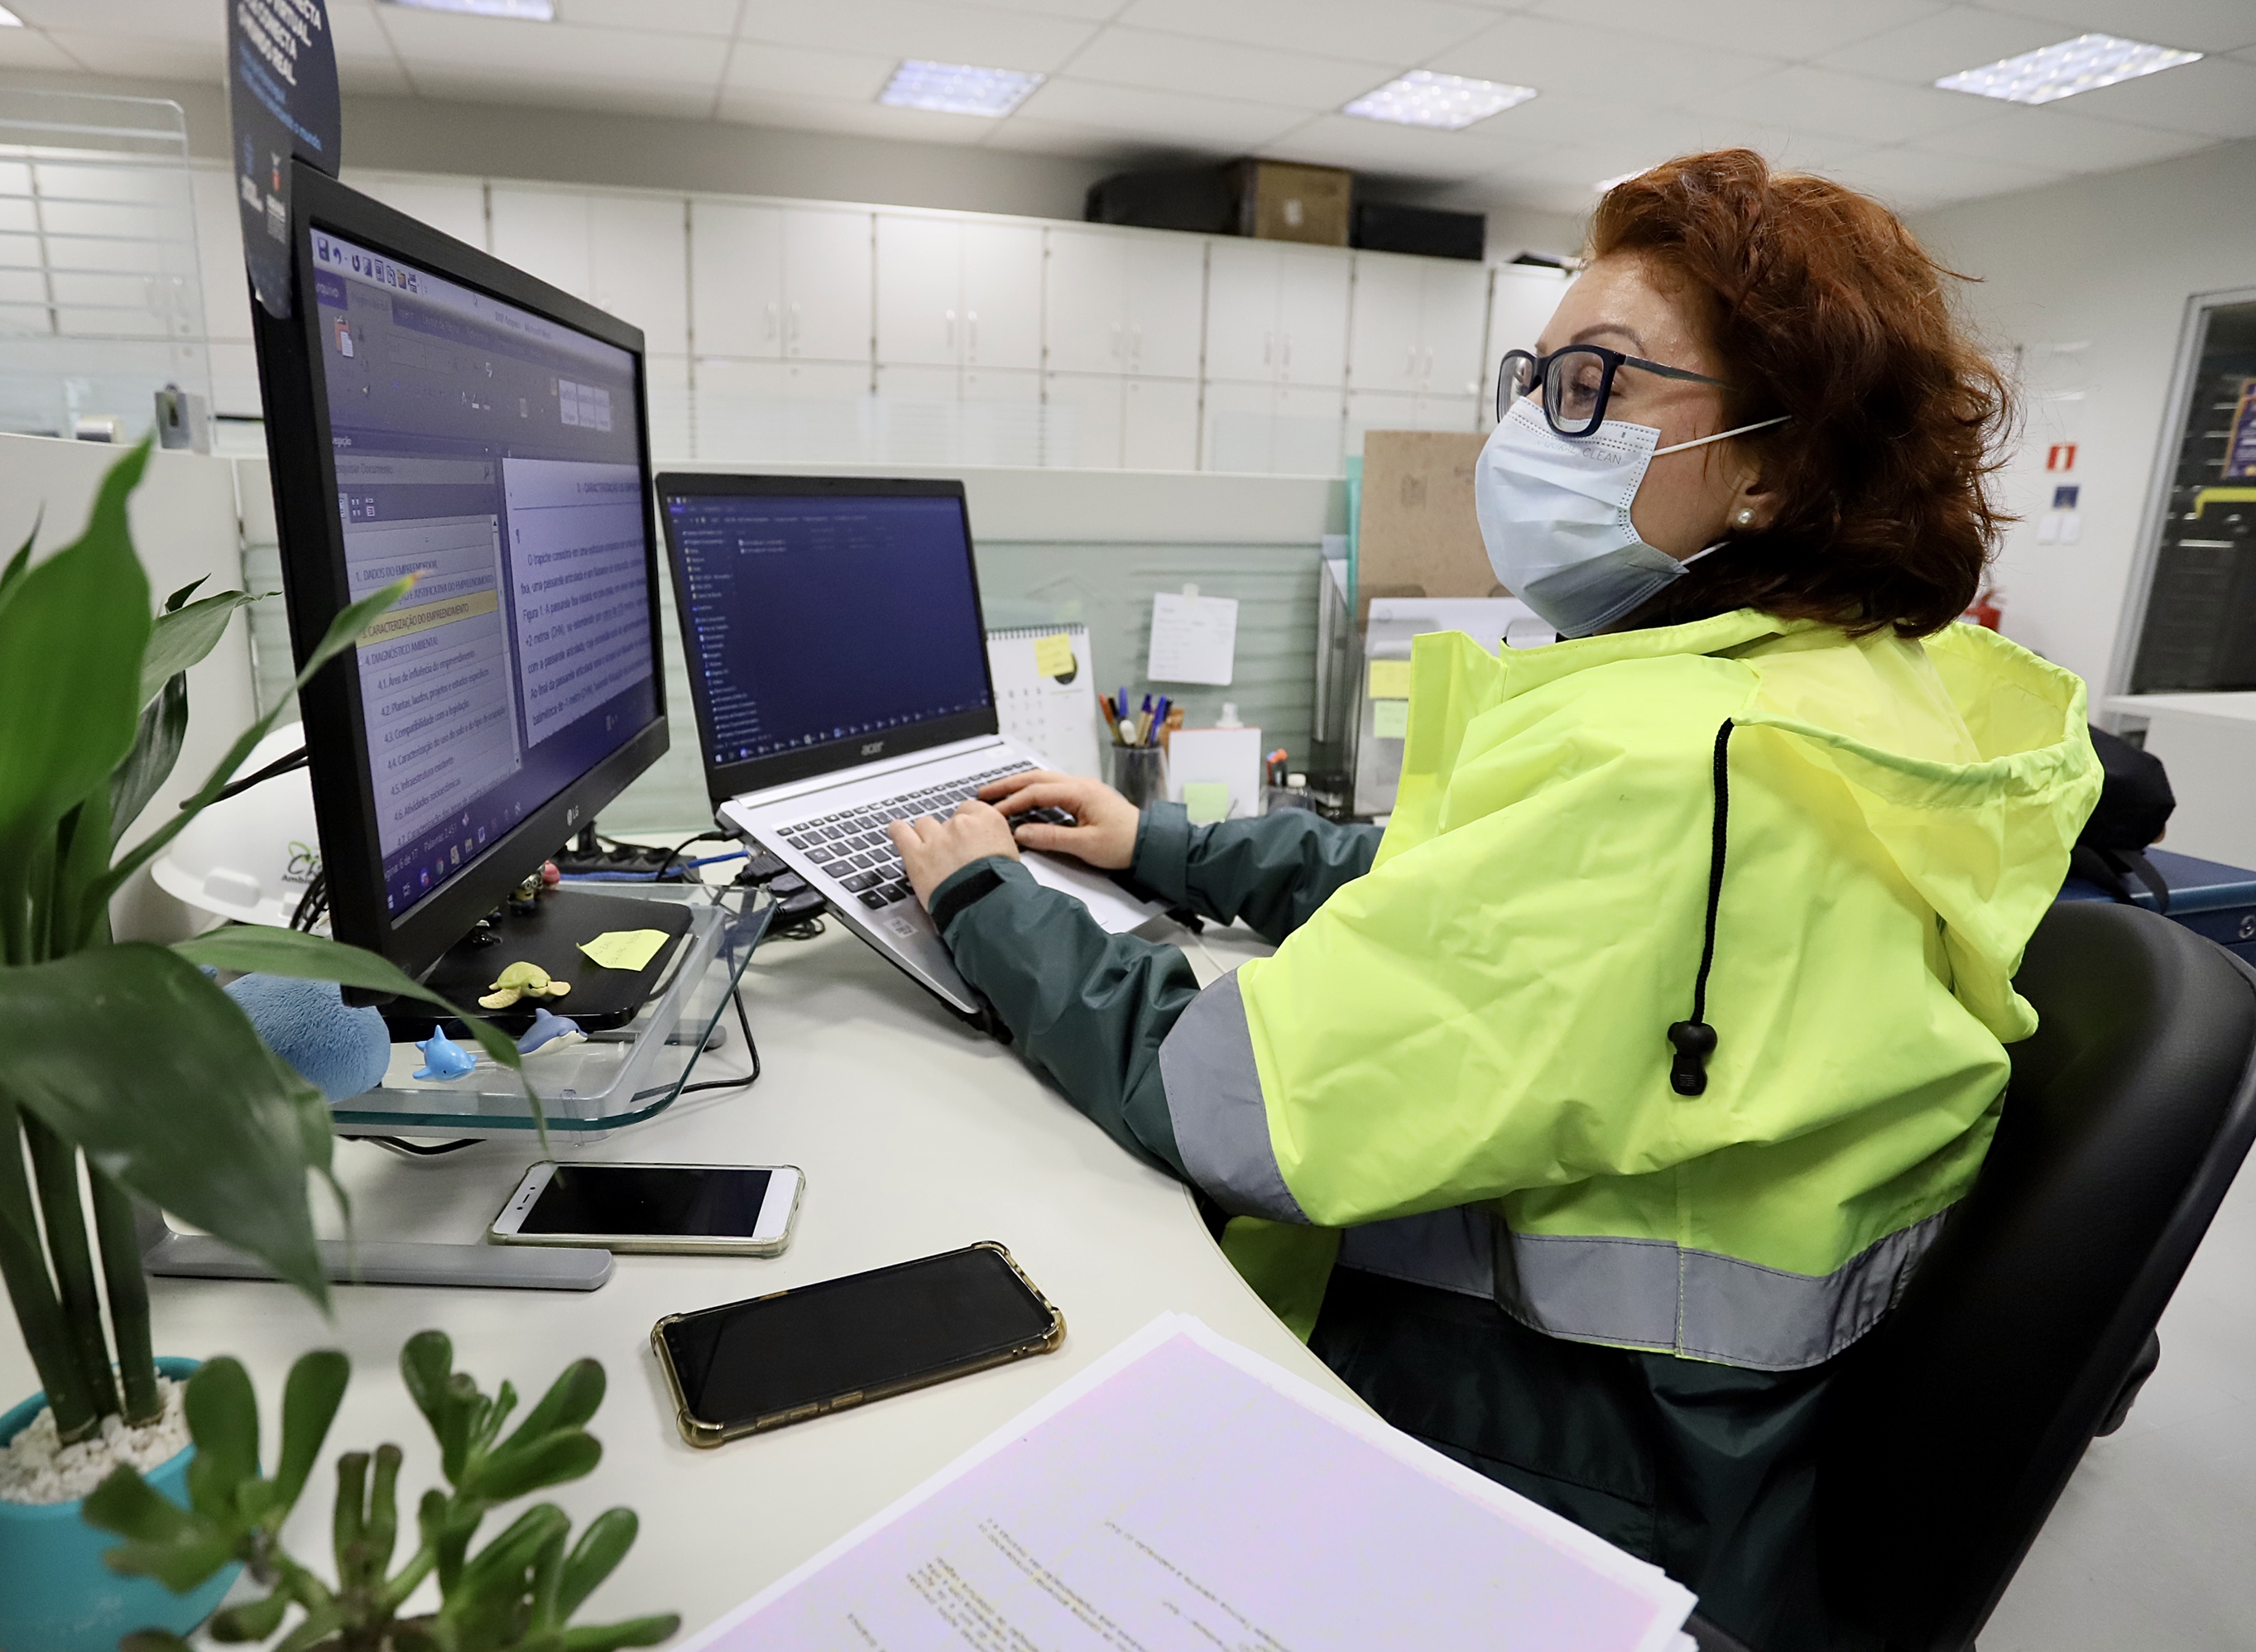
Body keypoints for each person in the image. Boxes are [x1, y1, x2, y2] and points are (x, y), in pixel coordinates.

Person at [884, 150, 2100, 1650]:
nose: (1534, 431)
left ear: (1780, 464)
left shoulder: (1676, 768)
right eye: (1536, 380)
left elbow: (1231, 1098)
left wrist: (991, 904)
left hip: (1587, 1465)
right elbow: (1460, 897)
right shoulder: (1842, 695)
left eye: (1597, 386)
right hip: (1724, 1431)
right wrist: (1163, 849)